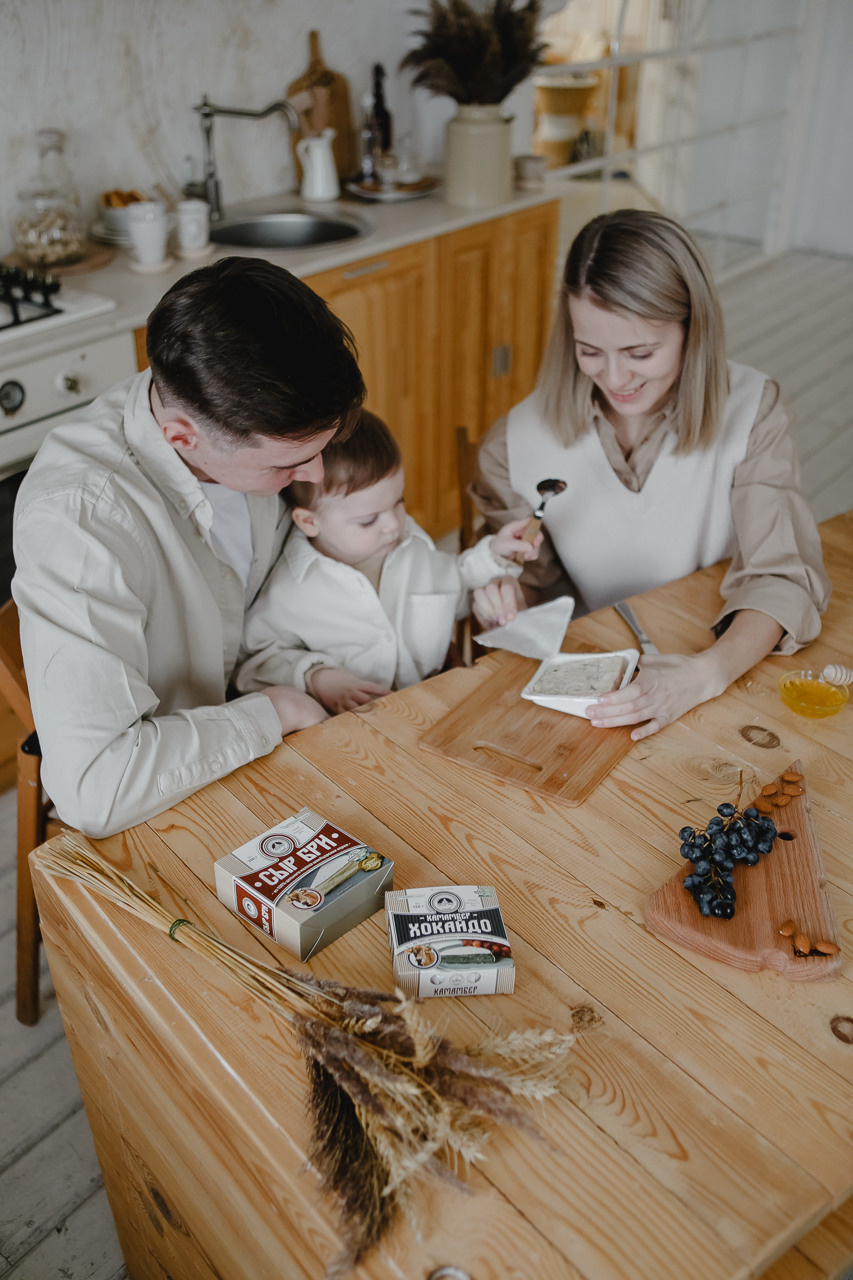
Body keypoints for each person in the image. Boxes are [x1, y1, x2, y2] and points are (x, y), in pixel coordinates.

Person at [13, 256, 366, 837]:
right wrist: (274, 710)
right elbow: (97, 787)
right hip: (160, 803)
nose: (319, 474)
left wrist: (307, 673)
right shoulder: (80, 522)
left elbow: (254, 609)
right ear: (183, 437)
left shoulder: (234, 410)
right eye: (292, 461)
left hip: (247, 731)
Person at [472, 208, 831, 740]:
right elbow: (536, 590)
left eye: (640, 352)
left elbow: (782, 579)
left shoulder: (755, 410)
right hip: (598, 689)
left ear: (693, 329)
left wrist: (708, 672)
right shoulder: (515, 441)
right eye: (589, 350)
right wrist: (502, 598)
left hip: (724, 662)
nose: (614, 378)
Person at [235, 409, 541, 713]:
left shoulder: (411, 546)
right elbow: (256, 660)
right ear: (309, 522)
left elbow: (457, 583)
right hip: (353, 733)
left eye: (399, 503)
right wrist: (319, 677)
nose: (394, 524)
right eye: (369, 521)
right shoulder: (290, 590)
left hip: (434, 706)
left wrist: (496, 554)